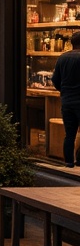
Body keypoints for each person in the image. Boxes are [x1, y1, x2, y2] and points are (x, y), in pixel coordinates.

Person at [52, 31, 80, 168]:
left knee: (69, 134)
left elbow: (55, 80)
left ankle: (68, 162)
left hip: (67, 101)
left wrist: (64, 91)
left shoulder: (62, 58)